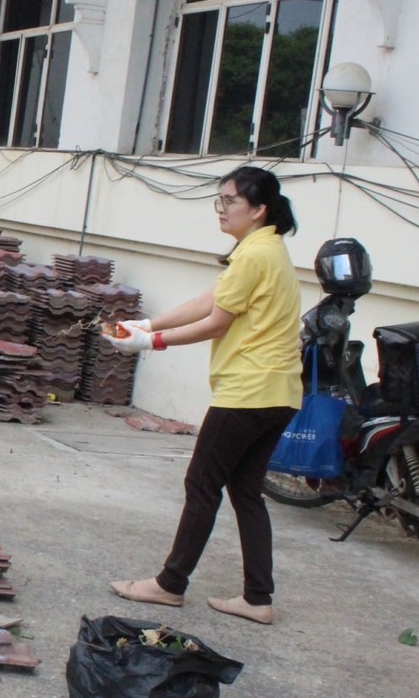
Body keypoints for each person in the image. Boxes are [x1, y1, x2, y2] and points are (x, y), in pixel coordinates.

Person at [108, 166, 302, 626]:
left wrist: (149, 344)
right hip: (280, 392)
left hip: (248, 392)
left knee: (202, 484)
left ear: (257, 211)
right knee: (245, 490)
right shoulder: (265, 250)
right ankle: (258, 597)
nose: (223, 209)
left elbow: (217, 322)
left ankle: (169, 584)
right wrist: (147, 325)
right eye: (220, 200)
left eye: (230, 201)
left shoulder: (255, 255)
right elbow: (210, 300)